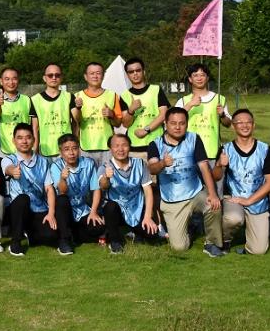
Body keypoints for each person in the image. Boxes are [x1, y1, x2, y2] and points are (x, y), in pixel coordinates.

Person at [147, 107, 224, 257]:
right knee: (179, 248)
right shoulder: (155, 144)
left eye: (182, 123)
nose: (177, 127)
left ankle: (212, 243)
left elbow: (204, 168)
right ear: (165, 124)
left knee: (213, 204)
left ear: (187, 124)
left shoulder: (194, 139)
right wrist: (163, 163)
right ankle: (191, 228)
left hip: (195, 193)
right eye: (173, 123)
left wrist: (213, 194)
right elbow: (152, 169)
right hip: (172, 199)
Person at [214, 109, 270, 255]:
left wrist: (249, 200)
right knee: (233, 219)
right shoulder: (225, 149)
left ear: (253, 125)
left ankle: (247, 244)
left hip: (258, 200)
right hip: (233, 198)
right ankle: (225, 239)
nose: (244, 125)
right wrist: (219, 165)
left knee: (259, 250)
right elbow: (216, 177)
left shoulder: (264, 149)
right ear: (233, 126)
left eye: (248, 122)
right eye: (239, 122)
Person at [1, 123, 57, 256]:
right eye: (20, 138)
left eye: (28, 137)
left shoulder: (43, 161)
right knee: (23, 199)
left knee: (52, 236)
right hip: (17, 209)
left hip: (38, 208)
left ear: (33, 140)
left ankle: (29, 232)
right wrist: (13, 171)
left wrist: (51, 213)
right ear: (14, 141)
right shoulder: (9, 159)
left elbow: (49, 189)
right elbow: (8, 168)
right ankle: (15, 242)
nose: (24, 141)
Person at [98, 134, 159, 254]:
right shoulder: (105, 167)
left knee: (152, 234)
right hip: (116, 212)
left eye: (124, 145)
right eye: (116, 146)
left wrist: (147, 217)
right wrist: (106, 177)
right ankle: (115, 240)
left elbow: (148, 191)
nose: (120, 149)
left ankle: (136, 232)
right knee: (110, 207)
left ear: (129, 147)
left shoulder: (140, 163)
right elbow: (103, 186)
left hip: (136, 208)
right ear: (110, 149)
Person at [175, 63, 231, 193]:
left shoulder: (219, 99)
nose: (199, 78)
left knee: (215, 192)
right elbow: (173, 120)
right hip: (189, 153)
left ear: (207, 78)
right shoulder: (184, 101)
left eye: (202, 75)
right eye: (195, 75)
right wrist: (190, 105)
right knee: (191, 193)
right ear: (190, 79)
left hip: (212, 152)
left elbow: (228, 123)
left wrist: (222, 114)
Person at [50, 133, 104, 255]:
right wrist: (63, 179)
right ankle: (64, 241)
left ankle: (74, 234)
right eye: (67, 149)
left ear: (79, 149)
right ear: (60, 152)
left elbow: (96, 189)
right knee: (62, 200)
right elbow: (62, 191)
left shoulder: (88, 163)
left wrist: (93, 212)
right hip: (64, 211)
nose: (71, 153)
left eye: (74, 148)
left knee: (99, 228)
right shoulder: (56, 166)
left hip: (82, 209)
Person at [120, 58, 170, 159]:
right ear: (127, 75)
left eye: (138, 70)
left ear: (144, 71)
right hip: (134, 147)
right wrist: (131, 110)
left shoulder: (156, 90)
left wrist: (146, 130)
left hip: (157, 145)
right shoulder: (124, 95)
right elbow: (126, 124)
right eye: (131, 72)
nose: (135, 74)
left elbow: (164, 114)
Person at [75, 62, 122, 168]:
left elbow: (118, 123)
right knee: (88, 177)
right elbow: (76, 121)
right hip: (85, 147)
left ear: (103, 75)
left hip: (107, 147)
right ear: (85, 76)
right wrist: (78, 108)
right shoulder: (77, 96)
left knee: (107, 176)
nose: (95, 76)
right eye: (92, 73)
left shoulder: (112, 95)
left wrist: (112, 114)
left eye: (98, 73)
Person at [31, 63, 79, 163]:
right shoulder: (35, 99)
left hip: (67, 150)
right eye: (50, 75)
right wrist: (35, 149)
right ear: (44, 78)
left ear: (61, 77)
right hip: (46, 150)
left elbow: (77, 121)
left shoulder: (69, 97)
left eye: (57, 75)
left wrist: (79, 108)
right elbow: (35, 128)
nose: (54, 78)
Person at [0, 67, 32, 158]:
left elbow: (33, 124)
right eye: (7, 79)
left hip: (24, 151)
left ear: (18, 80)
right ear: (1, 81)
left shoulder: (27, 99)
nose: (11, 82)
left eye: (14, 79)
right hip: (2, 153)